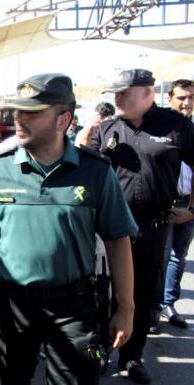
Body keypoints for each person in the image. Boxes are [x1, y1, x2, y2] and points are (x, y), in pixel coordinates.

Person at [0, 73, 137, 385]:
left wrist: (126, 308)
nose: (19, 120)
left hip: (74, 308)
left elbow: (118, 240)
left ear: (63, 120)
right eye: (18, 111)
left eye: (32, 113)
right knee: (13, 378)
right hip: (13, 307)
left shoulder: (95, 172)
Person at [76, 69, 194, 383]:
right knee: (103, 294)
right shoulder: (110, 128)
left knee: (141, 296)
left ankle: (132, 357)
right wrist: (85, 136)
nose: (116, 100)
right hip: (110, 228)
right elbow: (85, 168)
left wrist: (192, 209)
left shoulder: (177, 126)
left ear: (146, 93)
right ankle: (101, 351)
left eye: (123, 93)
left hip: (152, 227)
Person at [150, 79, 194, 332]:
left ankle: (169, 304)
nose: (187, 103)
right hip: (164, 205)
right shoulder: (162, 131)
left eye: (191, 97)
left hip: (188, 204)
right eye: (182, 97)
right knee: (161, 257)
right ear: (170, 98)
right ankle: (154, 308)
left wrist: (191, 210)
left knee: (179, 256)